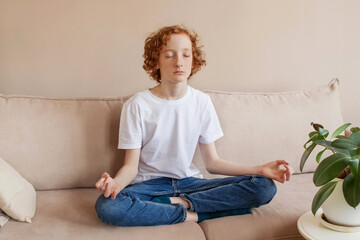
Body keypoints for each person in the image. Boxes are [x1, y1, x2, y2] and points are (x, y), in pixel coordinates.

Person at [95, 25, 293, 227]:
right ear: (156, 62)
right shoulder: (137, 105)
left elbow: (212, 163)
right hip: (149, 186)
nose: (179, 62)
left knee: (264, 187)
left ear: (193, 61)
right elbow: (131, 167)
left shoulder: (202, 102)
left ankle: (176, 204)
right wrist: (115, 184)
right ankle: (196, 214)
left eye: (186, 55)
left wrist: (261, 169)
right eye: (170, 55)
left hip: (190, 184)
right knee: (109, 206)